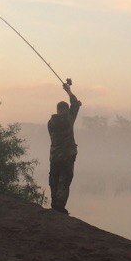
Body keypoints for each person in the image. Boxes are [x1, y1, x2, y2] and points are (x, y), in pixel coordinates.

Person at [47, 81, 81, 213]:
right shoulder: (68, 119)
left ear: (57, 110)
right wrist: (68, 90)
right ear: (66, 110)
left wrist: (76, 105)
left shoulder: (50, 122)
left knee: (54, 180)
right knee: (64, 181)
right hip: (67, 155)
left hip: (54, 156)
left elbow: (74, 105)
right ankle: (59, 207)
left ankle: (54, 203)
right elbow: (74, 105)